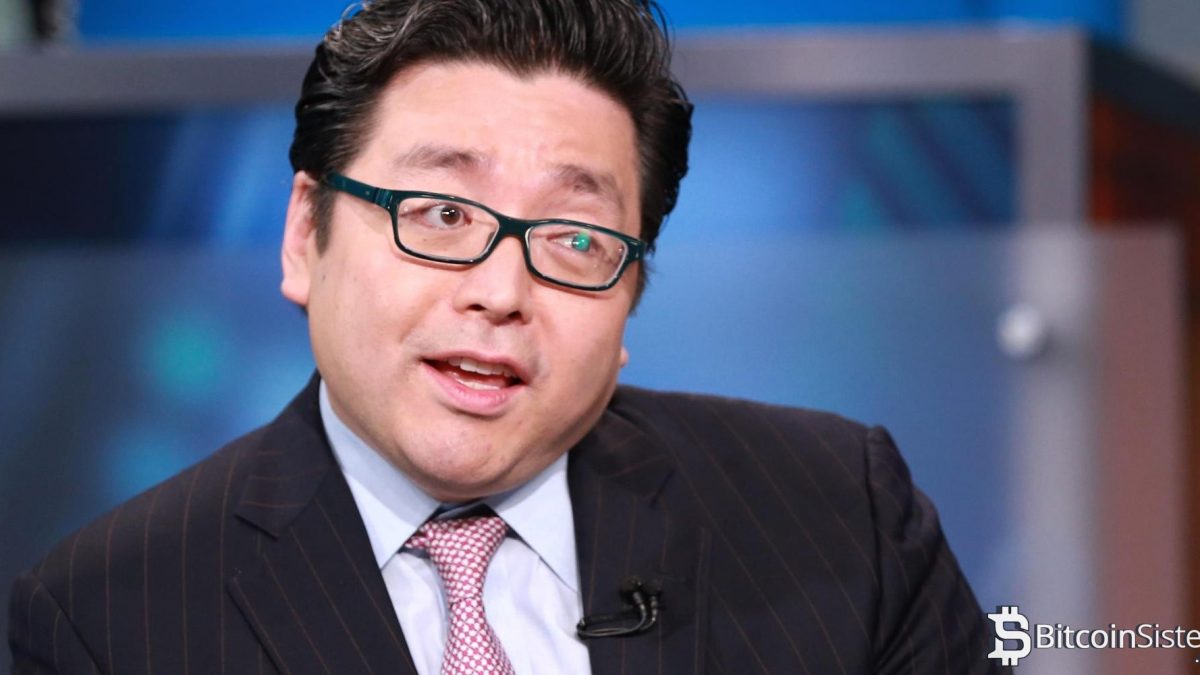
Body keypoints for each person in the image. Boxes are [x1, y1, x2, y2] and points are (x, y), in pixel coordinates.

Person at [8, 0, 1004, 673]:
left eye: (576, 239)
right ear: (306, 235)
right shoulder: (108, 619)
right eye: (442, 215)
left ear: (631, 297)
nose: (500, 292)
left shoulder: (842, 522)